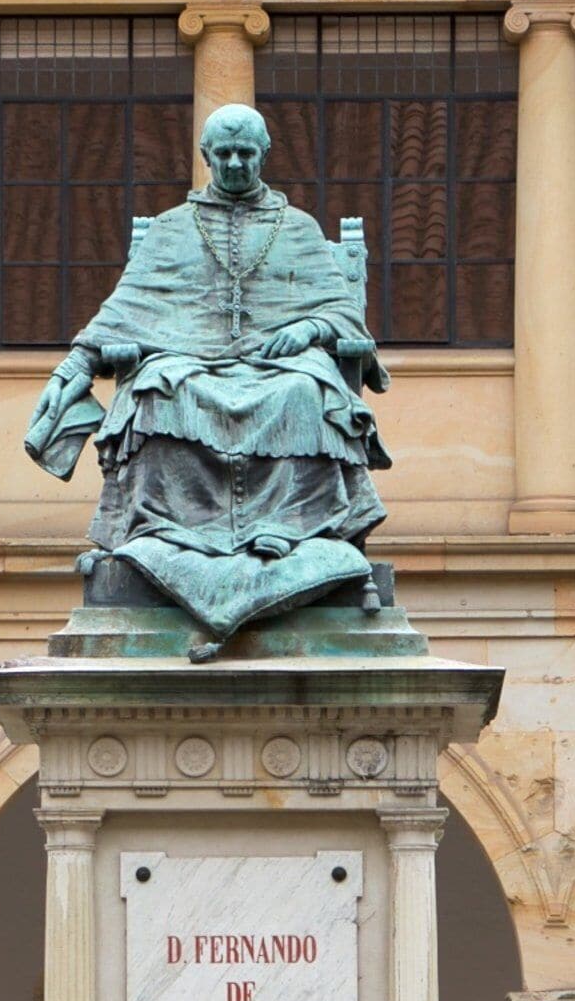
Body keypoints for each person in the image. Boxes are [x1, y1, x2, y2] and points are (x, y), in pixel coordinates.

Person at [25, 105, 391, 658]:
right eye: (224, 154)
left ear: (265, 154)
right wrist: (74, 366)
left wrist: (309, 328)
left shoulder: (299, 229)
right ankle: (170, 533)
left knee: (306, 393)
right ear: (205, 158)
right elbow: (127, 307)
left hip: (280, 366)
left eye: (247, 153)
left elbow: (344, 316)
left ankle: (294, 526)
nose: (236, 164)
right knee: (157, 392)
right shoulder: (173, 228)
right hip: (187, 362)